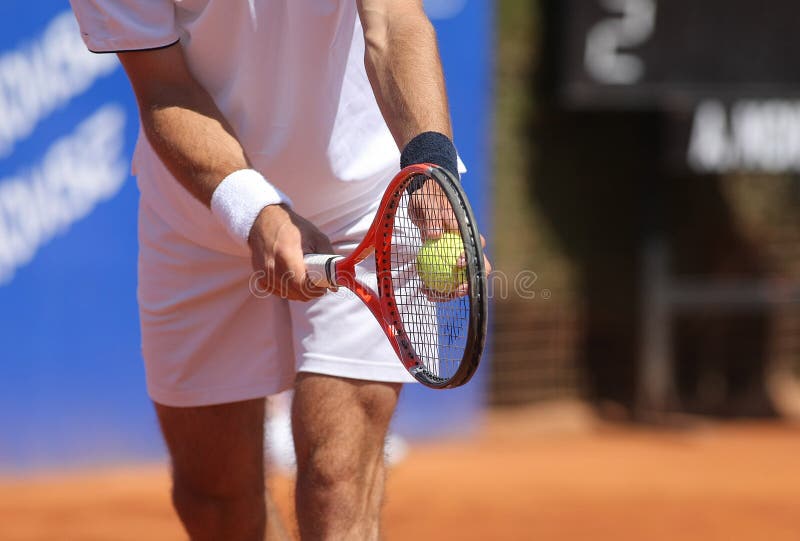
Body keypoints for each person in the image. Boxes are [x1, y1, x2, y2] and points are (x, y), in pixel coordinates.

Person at [69, 1, 468, 539]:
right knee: (215, 500)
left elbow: (395, 22)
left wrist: (431, 173)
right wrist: (256, 209)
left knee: (338, 478)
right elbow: (162, 87)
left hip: (363, 204)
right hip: (200, 211)